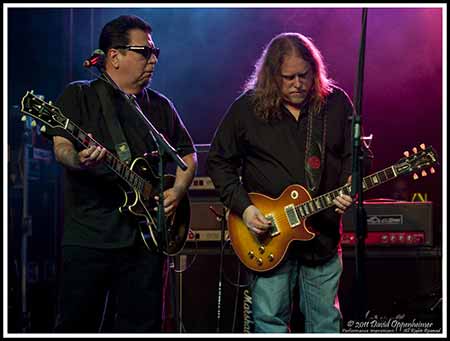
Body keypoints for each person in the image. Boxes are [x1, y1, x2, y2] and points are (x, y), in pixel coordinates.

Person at [45, 15, 197, 332]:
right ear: (114, 55)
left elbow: (187, 154)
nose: (153, 59)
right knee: (77, 325)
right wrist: (80, 159)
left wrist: (178, 191)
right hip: (90, 238)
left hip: (145, 243)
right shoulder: (80, 95)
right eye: (144, 51)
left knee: (143, 326)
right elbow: (61, 147)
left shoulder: (159, 106)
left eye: (156, 52)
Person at [206, 32, 355, 333]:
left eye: (304, 75)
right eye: (288, 78)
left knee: (326, 322)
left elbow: (356, 159)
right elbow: (218, 161)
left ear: (315, 71)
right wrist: (245, 209)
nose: (298, 84)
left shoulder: (336, 104)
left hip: (322, 236)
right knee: (269, 321)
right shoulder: (247, 108)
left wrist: (351, 186)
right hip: (267, 236)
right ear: (272, 77)